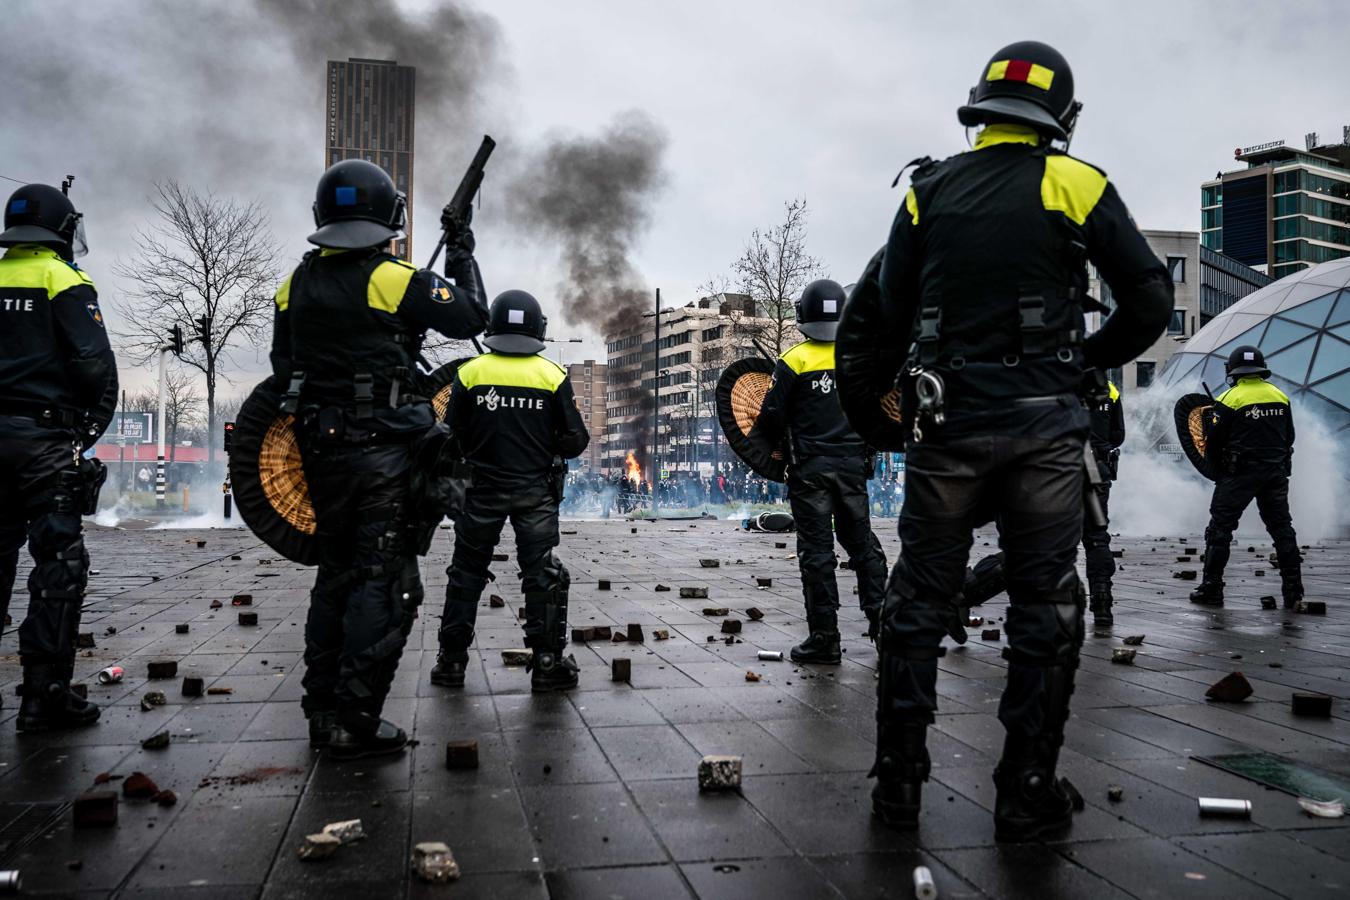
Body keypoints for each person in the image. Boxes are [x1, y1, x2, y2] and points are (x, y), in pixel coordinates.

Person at [864, 41, 1173, 841]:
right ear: (1060, 116)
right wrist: (1083, 362)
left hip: (946, 428)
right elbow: (1149, 298)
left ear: (982, 109)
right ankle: (1025, 788)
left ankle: (898, 787)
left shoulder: (925, 193)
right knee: (1046, 602)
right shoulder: (1077, 182)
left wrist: (876, 420)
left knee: (917, 600)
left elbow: (881, 319)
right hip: (1043, 432)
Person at [269, 159, 488, 758]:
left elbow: (283, 369)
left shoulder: (296, 282)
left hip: (321, 450)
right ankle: (355, 720)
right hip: (385, 456)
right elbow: (473, 317)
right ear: (389, 217)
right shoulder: (390, 278)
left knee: (335, 573)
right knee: (384, 582)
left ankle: (322, 713)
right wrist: (463, 251)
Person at [0, 183, 116, 731]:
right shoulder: (63, 279)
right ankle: (43, 696)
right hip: (44, 444)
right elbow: (95, 366)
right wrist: (85, 433)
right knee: (58, 565)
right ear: (61, 228)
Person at [432, 291, 590, 692]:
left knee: (465, 573)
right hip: (534, 492)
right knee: (542, 575)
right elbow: (575, 441)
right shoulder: (551, 375)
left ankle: (451, 663)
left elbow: (452, 437)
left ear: (493, 327)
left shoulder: (469, 374)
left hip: (480, 492)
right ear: (538, 328)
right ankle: (548, 663)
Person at [753, 279, 888, 663]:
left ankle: (825, 639)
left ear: (803, 317)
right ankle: (884, 627)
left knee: (817, 554)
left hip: (810, 472)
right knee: (863, 547)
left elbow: (771, 420)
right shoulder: (860, 358)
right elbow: (878, 414)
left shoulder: (794, 360)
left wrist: (771, 452)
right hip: (851, 470)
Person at [1190, 345, 1301, 608]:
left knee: (1220, 530)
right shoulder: (1279, 396)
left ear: (1233, 371)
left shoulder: (1230, 398)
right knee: (1283, 530)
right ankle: (1294, 592)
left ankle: (1212, 589)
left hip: (1239, 475)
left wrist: (1216, 471)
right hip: (1275, 473)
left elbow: (1213, 442)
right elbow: (1290, 436)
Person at [1084, 378, 1124, 625]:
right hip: (1094, 466)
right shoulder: (1109, 388)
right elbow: (1117, 435)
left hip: (1055, 467)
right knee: (1097, 538)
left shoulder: (1048, 377)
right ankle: (1102, 605)